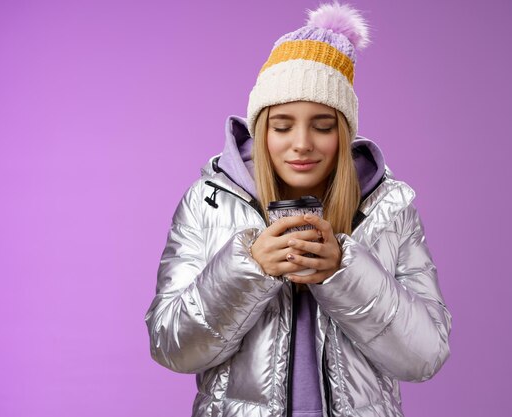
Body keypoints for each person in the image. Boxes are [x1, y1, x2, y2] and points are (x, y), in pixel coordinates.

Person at [144, 2, 452, 416]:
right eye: (283, 125)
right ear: (261, 129)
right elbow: (171, 348)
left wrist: (345, 272)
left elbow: (425, 356)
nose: (302, 143)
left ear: (343, 133)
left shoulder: (389, 207)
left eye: (323, 126)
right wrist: (247, 270)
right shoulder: (208, 203)